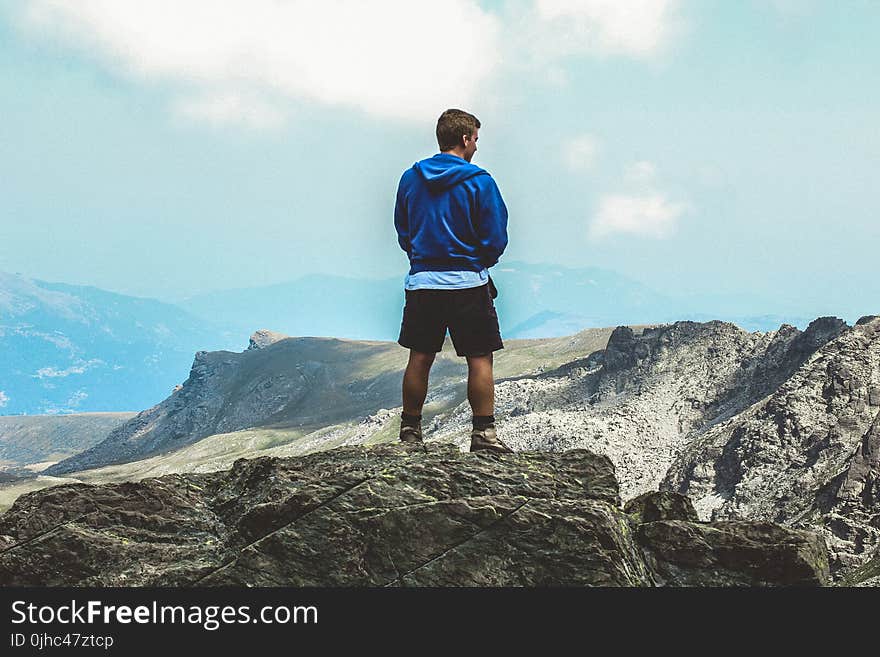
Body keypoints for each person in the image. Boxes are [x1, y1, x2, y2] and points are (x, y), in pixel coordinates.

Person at [393, 108, 513, 453]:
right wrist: (479, 261)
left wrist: (420, 258)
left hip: (423, 282)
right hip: (468, 283)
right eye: (475, 139)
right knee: (479, 359)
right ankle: (484, 436)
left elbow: (404, 229)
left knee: (420, 356)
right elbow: (495, 237)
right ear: (464, 139)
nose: (476, 146)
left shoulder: (410, 178)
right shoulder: (479, 181)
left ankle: (411, 433)